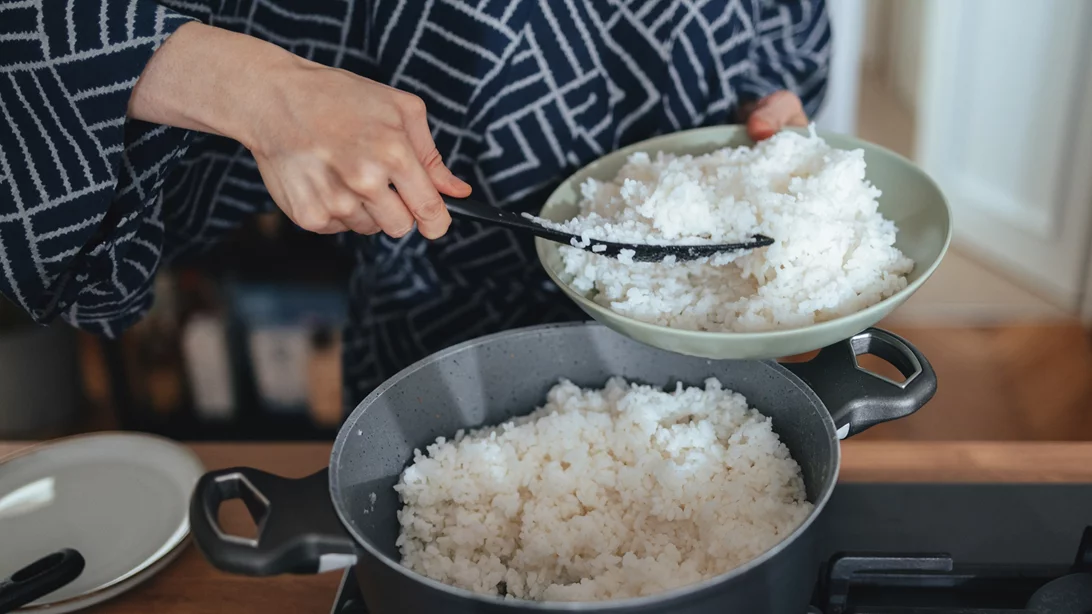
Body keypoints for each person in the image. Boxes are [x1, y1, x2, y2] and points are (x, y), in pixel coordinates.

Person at [0, 1, 830, 406]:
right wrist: (259, 90)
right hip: (444, 322)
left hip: (711, 304)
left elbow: (781, 30)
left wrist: (768, 111)